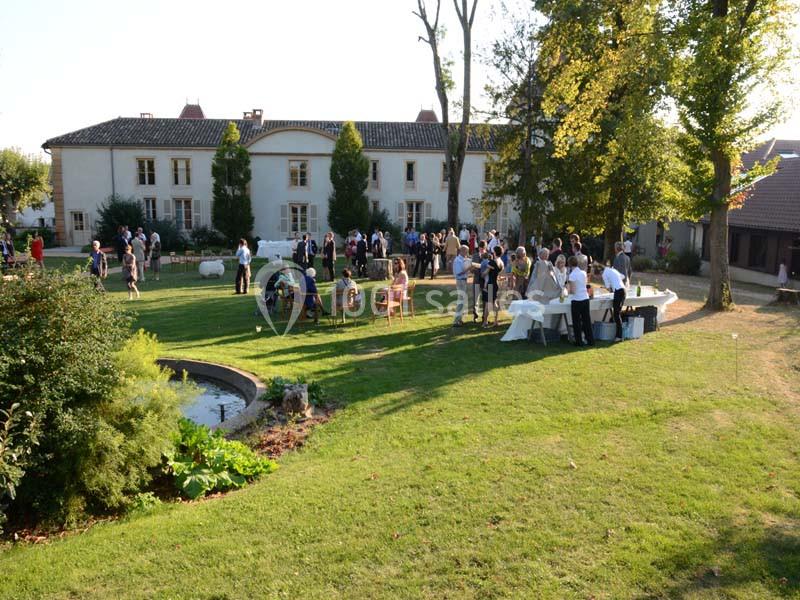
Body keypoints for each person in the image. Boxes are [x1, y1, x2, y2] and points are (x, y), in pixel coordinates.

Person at [592, 262, 626, 342]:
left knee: (616, 314)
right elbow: (623, 276)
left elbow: (608, 288)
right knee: (617, 314)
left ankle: (619, 336)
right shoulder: (611, 269)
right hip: (623, 290)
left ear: (600, 272)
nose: (599, 277)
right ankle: (619, 335)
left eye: (598, 276)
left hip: (618, 292)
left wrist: (606, 287)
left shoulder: (604, 274)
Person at [568, 256, 593, 347]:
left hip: (577, 299)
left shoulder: (572, 275)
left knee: (577, 322)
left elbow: (573, 290)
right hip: (585, 298)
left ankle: (579, 341)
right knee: (586, 320)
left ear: (570, 265)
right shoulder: (583, 273)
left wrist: (568, 289)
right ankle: (590, 340)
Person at [481, 245, 504, 328]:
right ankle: (495, 321)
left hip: (490, 283)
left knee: (488, 303)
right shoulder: (501, 262)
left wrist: (481, 272)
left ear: (494, 252)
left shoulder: (492, 262)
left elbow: (485, 273)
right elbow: (500, 275)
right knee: (494, 303)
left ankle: (485, 322)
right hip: (496, 283)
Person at [452, 245, 473, 327]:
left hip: (464, 281)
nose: (467, 253)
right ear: (462, 251)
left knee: (463, 300)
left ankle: (460, 319)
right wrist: (468, 268)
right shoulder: (458, 260)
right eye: (466, 251)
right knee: (460, 301)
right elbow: (459, 272)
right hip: (460, 281)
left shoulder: (463, 259)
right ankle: (456, 321)